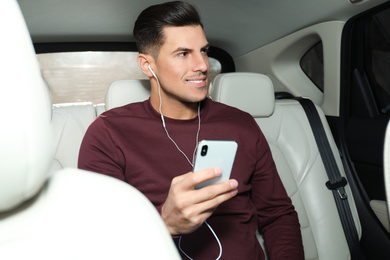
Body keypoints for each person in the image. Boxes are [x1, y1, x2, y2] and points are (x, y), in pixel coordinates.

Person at [78, 1, 304, 259]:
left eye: (204, 51)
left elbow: (278, 215)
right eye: (183, 54)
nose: (203, 65)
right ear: (147, 65)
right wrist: (167, 224)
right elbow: (102, 241)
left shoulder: (241, 124)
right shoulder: (108, 133)